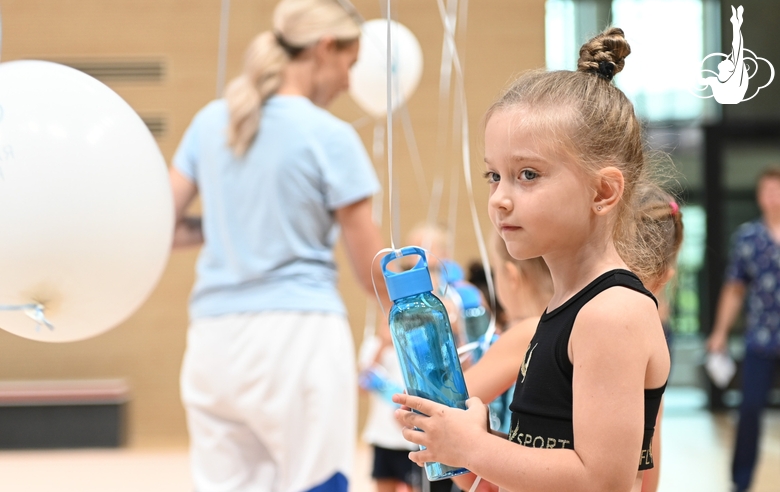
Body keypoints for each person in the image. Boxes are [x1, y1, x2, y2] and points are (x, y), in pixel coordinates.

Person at [392, 28, 671, 492]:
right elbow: (541, 463)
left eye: (527, 175)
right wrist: (461, 450)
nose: (500, 198)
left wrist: (473, 448)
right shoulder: (568, 308)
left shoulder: (612, 312)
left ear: (602, 191)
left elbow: (603, 482)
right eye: (493, 175)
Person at [169, 1, 388, 491]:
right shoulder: (329, 136)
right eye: (350, 66)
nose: (350, 83)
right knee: (317, 484)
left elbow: (160, 225)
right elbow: (369, 268)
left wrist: (233, 223)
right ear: (325, 48)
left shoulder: (210, 122)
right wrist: (409, 324)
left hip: (212, 343)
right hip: (297, 340)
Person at [707, 166, 780, 492]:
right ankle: (741, 482)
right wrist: (720, 331)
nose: (773, 197)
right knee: (749, 410)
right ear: (759, 196)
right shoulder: (748, 238)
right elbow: (734, 289)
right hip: (760, 340)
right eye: (768, 190)